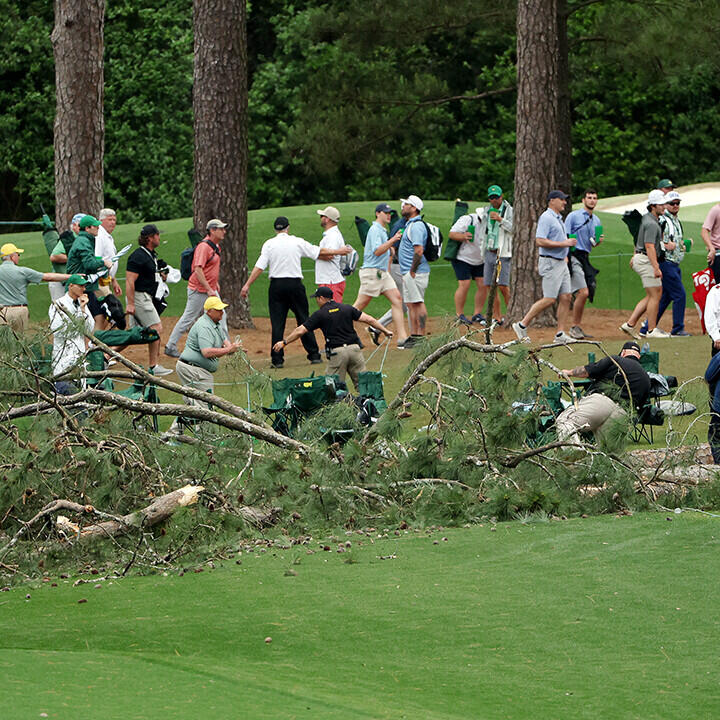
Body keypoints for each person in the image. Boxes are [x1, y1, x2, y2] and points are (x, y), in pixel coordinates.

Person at [241, 216, 353, 368]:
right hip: (294, 284)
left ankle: (277, 359)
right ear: (287, 228)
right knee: (304, 319)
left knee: (277, 323)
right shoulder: (297, 241)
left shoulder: (269, 244)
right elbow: (318, 251)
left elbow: (259, 266)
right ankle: (313, 354)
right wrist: (339, 251)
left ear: (276, 230)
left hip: (276, 285)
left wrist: (247, 285)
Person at [273, 286, 392, 391]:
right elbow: (369, 320)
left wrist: (284, 342)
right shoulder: (347, 308)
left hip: (337, 353)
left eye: (317, 298)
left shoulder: (320, 314)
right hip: (355, 350)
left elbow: (300, 330)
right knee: (364, 386)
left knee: (333, 387)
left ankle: (342, 411)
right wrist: (385, 331)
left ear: (321, 298)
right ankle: (371, 411)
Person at [167, 297, 244, 436]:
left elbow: (225, 341)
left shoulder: (215, 324)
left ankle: (173, 434)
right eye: (218, 310)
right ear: (209, 311)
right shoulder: (204, 326)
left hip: (194, 368)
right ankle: (206, 438)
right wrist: (228, 350)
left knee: (192, 403)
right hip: (193, 369)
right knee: (205, 404)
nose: (222, 312)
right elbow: (207, 352)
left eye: (222, 309)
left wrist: (234, 348)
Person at [512, 190, 575, 343]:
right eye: (562, 199)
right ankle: (522, 325)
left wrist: (564, 253)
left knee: (566, 296)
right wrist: (564, 244)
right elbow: (540, 241)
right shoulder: (546, 218)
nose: (564, 202)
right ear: (552, 201)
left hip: (561, 262)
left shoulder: (559, 219)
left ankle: (560, 334)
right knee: (549, 299)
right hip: (550, 262)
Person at [557, 341, 651, 444]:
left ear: (623, 352)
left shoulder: (616, 360)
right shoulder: (646, 377)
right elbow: (642, 406)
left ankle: (572, 450)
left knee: (565, 421)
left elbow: (586, 371)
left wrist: (569, 372)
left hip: (602, 403)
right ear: (639, 356)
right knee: (605, 451)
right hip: (623, 415)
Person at [165, 218, 229, 358]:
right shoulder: (204, 247)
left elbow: (211, 268)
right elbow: (198, 269)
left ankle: (226, 345)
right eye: (221, 229)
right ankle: (170, 345)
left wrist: (214, 283)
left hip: (210, 289)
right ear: (212, 230)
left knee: (221, 314)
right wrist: (208, 288)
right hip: (199, 290)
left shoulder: (216, 247)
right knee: (188, 318)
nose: (224, 231)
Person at [353, 203, 408, 348]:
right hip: (372, 273)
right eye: (386, 212)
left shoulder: (382, 230)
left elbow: (383, 251)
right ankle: (340, 334)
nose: (389, 215)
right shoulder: (375, 230)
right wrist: (393, 241)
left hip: (381, 273)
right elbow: (377, 251)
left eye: (390, 213)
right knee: (357, 308)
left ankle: (402, 338)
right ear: (378, 213)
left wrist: (390, 249)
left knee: (397, 299)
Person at [639, 191, 691, 337]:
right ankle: (677, 329)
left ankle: (647, 328)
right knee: (680, 295)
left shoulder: (675, 220)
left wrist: (682, 245)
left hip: (674, 263)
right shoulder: (662, 221)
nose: (675, 206)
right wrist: (667, 246)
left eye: (677, 203)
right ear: (665, 205)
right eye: (671, 203)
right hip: (666, 262)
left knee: (665, 297)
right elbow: (655, 241)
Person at [620, 190, 670, 339]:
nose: (664, 207)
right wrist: (656, 267)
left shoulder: (649, 219)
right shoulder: (651, 223)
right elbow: (649, 246)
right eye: (661, 204)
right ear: (653, 206)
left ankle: (629, 324)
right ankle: (651, 330)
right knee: (656, 294)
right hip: (645, 260)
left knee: (652, 294)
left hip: (641, 258)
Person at [125, 224, 173, 376]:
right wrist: (131, 304)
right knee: (156, 328)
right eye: (157, 235)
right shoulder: (138, 256)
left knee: (135, 334)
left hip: (146, 297)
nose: (159, 237)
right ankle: (154, 366)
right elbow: (129, 281)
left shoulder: (150, 254)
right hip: (140, 297)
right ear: (149, 238)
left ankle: (105, 357)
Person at [0, 242, 70, 332]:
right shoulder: (23, 271)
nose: (18, 257)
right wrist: (70, 276)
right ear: (13, 256)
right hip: (19, 311)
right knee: (20, 341)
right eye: (18, 254)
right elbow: (48, 277)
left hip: (2, 311)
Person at [564, 188, 603, 339]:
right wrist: (566, 256)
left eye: (594, 198)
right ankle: (574, 327)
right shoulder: (573, 216)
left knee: (588, 291)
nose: (592, 200)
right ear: (583, 200)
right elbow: (566, 235)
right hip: (574, 255)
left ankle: (577, 326)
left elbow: (593, 242)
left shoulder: (597, 220)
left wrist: (598, 241)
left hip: (585, 257)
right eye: (589, 197)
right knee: (583, 292)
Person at [48, 274, 95, 394]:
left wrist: (83, 309)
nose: (83, 289)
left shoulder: (81, 304)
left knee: (81, 391)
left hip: (79, 354)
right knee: (65, 389)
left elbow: (89, 327)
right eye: (80, 286)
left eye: (84, 286)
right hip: (63, 355)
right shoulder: (57, 304)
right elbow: (59, 330)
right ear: (71, 286)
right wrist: (80, 314)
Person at [66, 214, 114, 329]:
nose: (98, 228)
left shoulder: (85, 240)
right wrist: (103, 262)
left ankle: (93, 343)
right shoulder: (83, 242)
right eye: (95, 226)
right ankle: (91, 344)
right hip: (79, 287)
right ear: (87, 228)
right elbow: (89, 264)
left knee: (99, 316)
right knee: (89, 319)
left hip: (86, 286)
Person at [448, 201, 486, 326]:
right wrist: (464, 236)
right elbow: (452, 234)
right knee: (465, 284)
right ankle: (459, 314)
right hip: (463, 258)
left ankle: (477, 313)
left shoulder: (491, 224)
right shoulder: (467, 219)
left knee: (482, 284)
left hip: (480, 258)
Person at [397, 195, 429, 345]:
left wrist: (412, 270)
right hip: (409, 272)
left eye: (406, 204)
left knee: (418, 302)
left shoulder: (416, 226)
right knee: (411, 304)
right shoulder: (410, 224)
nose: (403, 206)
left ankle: (420, 336)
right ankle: (414, 335)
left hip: (415, 272)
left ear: (414, 208)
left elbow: (419, 251)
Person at [481, 184, 514, 324]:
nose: (494, 200)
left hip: (503, 252)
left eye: (497, 197)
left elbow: (514, 228)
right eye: (491, 198)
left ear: (502, 196)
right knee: (489, 285)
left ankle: (512, 314)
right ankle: (496, 316)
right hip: (489, 250)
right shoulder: (485, 211)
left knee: (503, 286)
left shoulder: (509, 210)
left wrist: (500, 220)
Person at [45, 213, 83, 301]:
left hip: (71, 280)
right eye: (80, 225)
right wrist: (74, 259)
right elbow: (54, 256)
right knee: (60, 309)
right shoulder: (67, 238)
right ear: (74, 225)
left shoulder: (83, 238)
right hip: (59, 281)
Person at [315, 206, 347, 302]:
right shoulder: (333, 234)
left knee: (333, 312)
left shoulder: (332, 236)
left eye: (322, 216)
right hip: (330, 279)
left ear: (327, 219)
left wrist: (313, 253)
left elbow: (329, 255)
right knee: (329, 312)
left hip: (330, 280)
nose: (320, 218)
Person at [94, 208, 122, 298]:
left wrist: (113, 280)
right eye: (110, 220)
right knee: (111, 307)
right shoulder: (99, 236)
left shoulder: (107, 236)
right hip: (100, 281)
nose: (113, 222)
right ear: (101, 221)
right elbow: (97, 257)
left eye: (114, 220)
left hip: (107, 279)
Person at [701, 200, 720, 284]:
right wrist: (712, 248)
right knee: (716, 289)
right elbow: (704, 231)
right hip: (718, 255)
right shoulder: (716, 210)